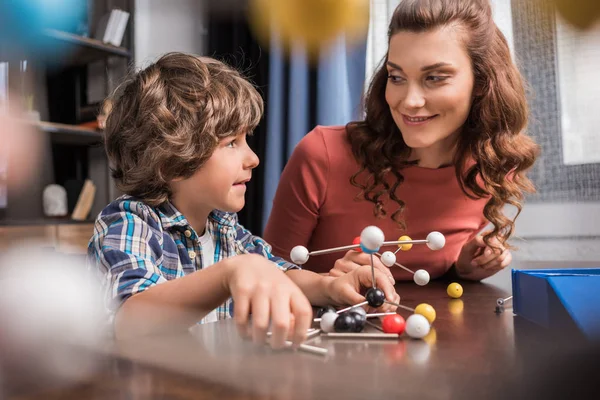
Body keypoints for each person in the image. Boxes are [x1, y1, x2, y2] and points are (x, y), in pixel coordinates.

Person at [87, 53, 399, 349]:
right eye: (232, 143)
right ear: (170, 161)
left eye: (246, 139)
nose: (253, 158)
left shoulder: (224, 227)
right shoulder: (128, 223)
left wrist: (330, 286)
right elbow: (131, 320)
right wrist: (230, 273)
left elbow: (279, 274)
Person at [264, 0, 539, 283]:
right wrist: (329, 285)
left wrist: (462, 269)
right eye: (396, 77)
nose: (409, 101)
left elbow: (425, 280)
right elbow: (267, 278)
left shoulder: (489, 168)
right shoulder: (322, 154)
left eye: (434, 78)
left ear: (481, 82)